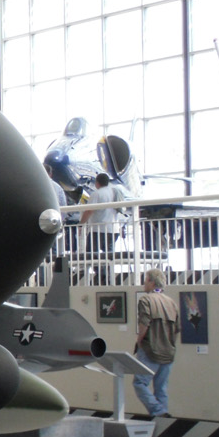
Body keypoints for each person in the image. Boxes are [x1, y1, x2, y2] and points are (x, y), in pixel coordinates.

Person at [133, 268, 179, 419]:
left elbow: (144, 324)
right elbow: (177, 329)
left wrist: (139, 342)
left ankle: (158, 411)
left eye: (145, 279)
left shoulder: (146, 300)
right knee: (161, 388)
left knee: (140, 383)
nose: (144, 283)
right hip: (169, 352)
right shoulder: (171, 302)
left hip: (150, 350)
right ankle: (163, 420)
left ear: (152, 282)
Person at [81, 171, 126, 256]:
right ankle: (107, 269)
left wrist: (81, 224)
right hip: (113, 229)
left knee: (91, 256)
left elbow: (89, 210)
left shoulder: (97, 194)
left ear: (97, 183)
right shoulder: (115, 192)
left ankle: (101, 269)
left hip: (98, 230)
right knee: (109, 257)